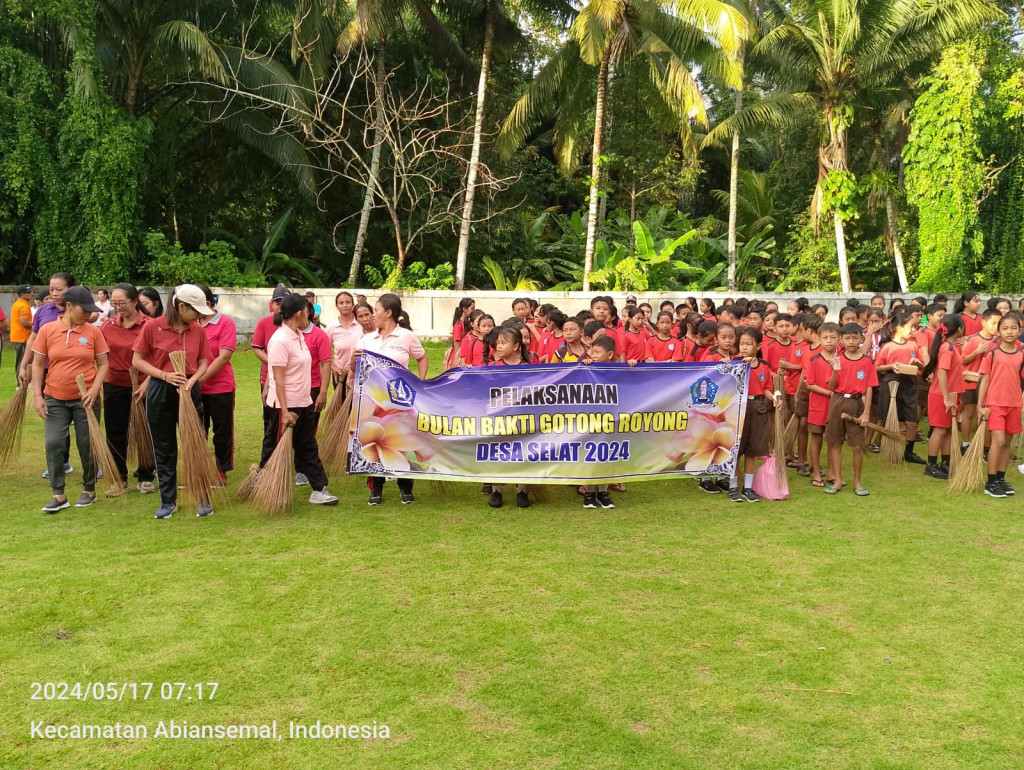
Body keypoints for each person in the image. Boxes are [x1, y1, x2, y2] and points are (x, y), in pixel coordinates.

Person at [131, 285, 214, 519]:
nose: (198, 316)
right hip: (160, 389)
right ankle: (168, 501)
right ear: (181, 307)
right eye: (194, 311)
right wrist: (164, 375)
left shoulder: (197, 331)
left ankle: (202, 496)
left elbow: (203, 362)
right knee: (164, 447)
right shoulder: (152, 327)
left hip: (189, 389)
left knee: (195, 442)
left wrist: (192, 380)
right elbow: (137, 360)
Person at [31, 286, 109, 512]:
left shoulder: (93, 332)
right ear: (69, 307)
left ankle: (89, 490)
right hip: (54, 396)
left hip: (85, 399)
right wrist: (38, 395)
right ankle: (58, 494)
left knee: (87, 445)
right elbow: (37, 364)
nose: (88, 314)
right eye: (84, 310)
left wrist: (94, 390)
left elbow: (103, 364)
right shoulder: (47, 330)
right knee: (53, 443)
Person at [350, 294, 428, 505]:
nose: (372, 314)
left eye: (376, 310)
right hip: (370, 400)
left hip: (399, 399)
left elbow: (421, 357)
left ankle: (405, 487)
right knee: (371, 441)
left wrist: (420, 383)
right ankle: (376, 488)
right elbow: (355, 368)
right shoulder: (366, 339)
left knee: (401, 441)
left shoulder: (406, 336)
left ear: (389, 313)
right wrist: (353, 362)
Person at [261, 293, 338, 506]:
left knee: (308, 445)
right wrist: (284, 410)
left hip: (304, 401)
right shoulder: (280, 340)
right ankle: (267, 486)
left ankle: (319, 488)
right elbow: (277, 377)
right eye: (306, 310)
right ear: (299, 313)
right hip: (285, 404)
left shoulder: (299, 336)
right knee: (276, 446)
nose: (309, 314)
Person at [99, 283, 156, 496]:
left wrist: (147, 382)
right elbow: (100, 355)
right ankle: (119, 478)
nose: (118, 307)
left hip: (145, 385)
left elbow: (160, 358)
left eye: (122, 302)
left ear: (134, 301)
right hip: (115, 384)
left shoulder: (150, 325)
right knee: (115, 432)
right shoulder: (108, 325)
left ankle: (146, 475)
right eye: (114, 303)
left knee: (147, 431)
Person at [20, 272, 77, 479]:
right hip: (45, 370)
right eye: (51, 289)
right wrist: (23, 365)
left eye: (59, 289)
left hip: (72, 371)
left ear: (70, 289)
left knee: (80, 418)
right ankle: (62, 461)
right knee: (55, 417)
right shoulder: (43, 311)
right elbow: (32, 340)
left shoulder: (79, 310)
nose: (54, 293)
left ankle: (92, 461)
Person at [824, 323, 877, 496]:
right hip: (838, 401)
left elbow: (869, 387)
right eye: (847, 338)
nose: (851, 341)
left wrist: (866, 412)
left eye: (855, 337)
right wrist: (833, 370)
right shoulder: (837, 359)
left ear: (861, 339)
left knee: (857, 446)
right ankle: (838, 480)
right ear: (841, 340)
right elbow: (832, 386)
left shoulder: (867, 361)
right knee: (835, 442)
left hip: (856, 403)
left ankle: (857, 481)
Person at [977, 313, 1024, 497]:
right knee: (999, 441)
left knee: (1008, 443)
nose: (1009, 332)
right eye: (1005, 328)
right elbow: (984, 380)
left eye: (1013, 328)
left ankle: (1000, 479)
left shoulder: (1021, 355)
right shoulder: (992, 354)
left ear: (1020, 330)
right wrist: (980, 405)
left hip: (1014, 404)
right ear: (999, 331)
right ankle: (990, 483)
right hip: (994, 404)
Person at [730, 327, 776, 503]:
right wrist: (743, 364)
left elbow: (766, 388)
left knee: (753, 449)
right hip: (739, 407)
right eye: (742, 344)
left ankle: (748, 487)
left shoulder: (764, 366)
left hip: (757, 407)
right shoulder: (735, 363)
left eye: (748, 344)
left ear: (757, 346)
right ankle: (733, 486)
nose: (744, 347)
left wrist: (774, 399)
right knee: (737, 449)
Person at [196, 285, 237, 485]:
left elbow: (223, 358)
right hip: (194, 388)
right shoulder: (190, 325)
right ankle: (198, 469)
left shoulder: (225, 323)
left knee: (222, 431)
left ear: (207, 303)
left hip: (220, 387)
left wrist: (198, 379)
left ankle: (221, 470)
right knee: (196, 430)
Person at [874, 310, 926, 463]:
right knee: (891, 419)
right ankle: (889, 449)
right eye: (911, 327)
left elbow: (922, 366)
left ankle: (908, 452)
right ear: (899, 328)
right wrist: (891, 366)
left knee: (911, 421)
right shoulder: (888, 347)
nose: (913, 330)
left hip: (909, 384)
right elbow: (876, 367)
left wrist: (917, 362)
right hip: (891, 383)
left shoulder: (913, 345)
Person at [921, 315, 965, 480]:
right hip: (942, 395)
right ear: (959, 329)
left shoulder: (951, 346)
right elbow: (942, 372)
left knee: (946, 430)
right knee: (939, 430)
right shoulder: (948, 348)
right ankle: (931, 465)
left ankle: (945, 462)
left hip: (951, 394)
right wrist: (946, 397)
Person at [252, 286, 291, 464]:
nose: (280, 307)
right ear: (272, 305)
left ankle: (285, 456)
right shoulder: (264, 323)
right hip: (268, 379)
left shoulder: (296, 324)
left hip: (292, 381)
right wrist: (274, 362)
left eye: (284, 303)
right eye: (277, 303)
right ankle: (269, 461)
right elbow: (256, 348)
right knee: (270, 422)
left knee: (290, 419)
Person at [580, 336, 619, 509]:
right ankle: (589, 492)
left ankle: (603, 492)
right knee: (588, 455)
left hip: (610, 420)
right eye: (591, 351)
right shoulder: (586, 368)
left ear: (610, 354)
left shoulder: (618, 369)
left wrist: (632, 363)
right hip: (590, 419)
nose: (593, 355)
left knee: (606, 455)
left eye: (597, 352)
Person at [804, 322, 841, 488]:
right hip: (818, 405)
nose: (829, 341)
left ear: (839, 339)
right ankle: (817, 472)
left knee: (834, 439)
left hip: (836, 405)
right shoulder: (814, 359)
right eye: (825, 337)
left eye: (833, 337)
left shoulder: (842, 359)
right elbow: (809, 383)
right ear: (819, 338)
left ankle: (833, 472)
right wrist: (827, 393)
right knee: (817, 437)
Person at [959, 308, 1001, 451]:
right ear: (983, 322)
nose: (996, 327)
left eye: (999, 323)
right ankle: (965, 443)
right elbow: (963, 360)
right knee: (969, 412)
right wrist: (977, 351)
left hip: (989, 384)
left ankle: (982, 444)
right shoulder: (972, 339)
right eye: (993, 323)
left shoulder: (998, 341)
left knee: (985, 413)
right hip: (970, 382)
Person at [10, 285, 34, 382]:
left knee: (20, 361)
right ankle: (20, 384)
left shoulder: (17, 303)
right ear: (22, 294)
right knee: (22, 362)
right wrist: (35, 325)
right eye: (29, 293)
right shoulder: (23, 305)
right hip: (22, 337)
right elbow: (24, 322)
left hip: (18, 336)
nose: (31, 294)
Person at [446, 297, 475, 368]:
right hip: (459, 356)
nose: (473, 311)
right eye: (472, 309)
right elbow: (457, 344)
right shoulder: (458, 325)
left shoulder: (466, 323)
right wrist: (457, 359)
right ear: (464, 309)